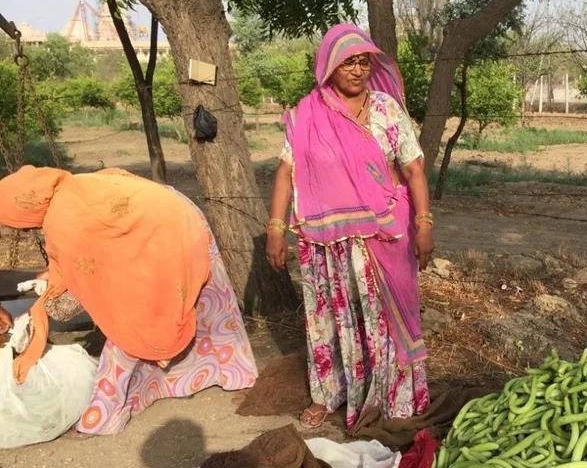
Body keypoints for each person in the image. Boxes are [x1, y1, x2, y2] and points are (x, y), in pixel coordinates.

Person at [0, 165, 258, 436]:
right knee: (208, 300)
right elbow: (83, 252)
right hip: (181, 218)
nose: (21, 228)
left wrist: (47, 301)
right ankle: (234, 371)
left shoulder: (62, 219)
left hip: (162, 233)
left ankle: (103, 415)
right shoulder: (74, 187)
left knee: (128, 321)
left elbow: (82, 268)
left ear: (22, 207)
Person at [267, 24, 435, 430]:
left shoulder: (386, 110)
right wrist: (275, 228)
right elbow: (286, 172)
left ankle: (389, 397)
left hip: (383, 236)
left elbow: (413, 168)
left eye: (363, 62)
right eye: (348, 63)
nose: (358, 70)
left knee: (384, 319)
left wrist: (425, 223)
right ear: (328, 66)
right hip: (327, 243)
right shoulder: (307, 114)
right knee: (332, 318)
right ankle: (330, 395)